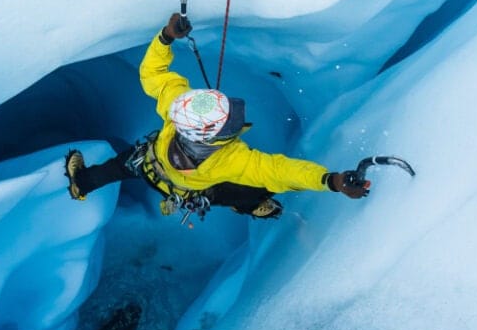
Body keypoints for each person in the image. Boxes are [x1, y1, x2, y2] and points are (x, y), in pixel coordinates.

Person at [65, 13, 367, 219]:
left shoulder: (175, 106)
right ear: (211, 136)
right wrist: (331, 181)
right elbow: (280, 171)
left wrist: (167, 37)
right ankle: (253, 205)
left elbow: (152, 72)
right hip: (196, 187)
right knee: (244, 188)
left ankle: (81, 183)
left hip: (150, 163)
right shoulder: (230, 159)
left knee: (116, 168)